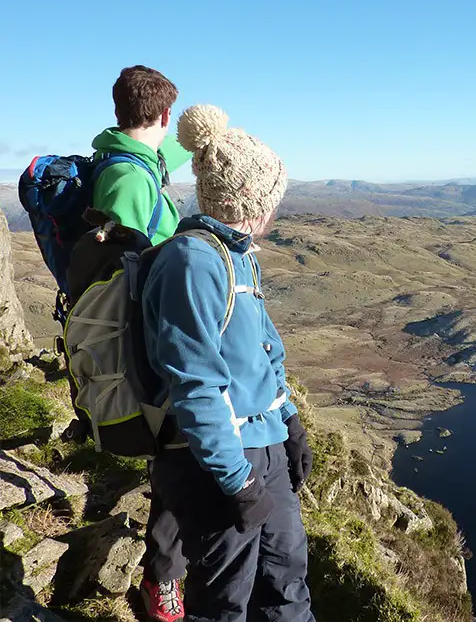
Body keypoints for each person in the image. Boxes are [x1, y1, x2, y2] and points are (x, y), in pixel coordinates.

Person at [141, 104, 315, 622]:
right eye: (272, 200)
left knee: (286, 582)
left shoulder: (240, 255)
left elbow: (265, 352)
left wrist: (288, 421)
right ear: (251, 202)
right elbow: (194, 385)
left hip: (265, 451)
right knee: (224, 602)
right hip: (215, 466)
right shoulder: (191, 262)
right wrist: (236, 480)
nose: (276, 211)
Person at [92, 65, 192, 622]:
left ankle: (169, 566)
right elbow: (135, 273)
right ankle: (164, 581)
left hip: (152, 332)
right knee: (177, 451)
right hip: (147, 339)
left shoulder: (134, 159)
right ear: (162, 114)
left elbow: (176, 150)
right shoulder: (130, 179)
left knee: (178, 447)